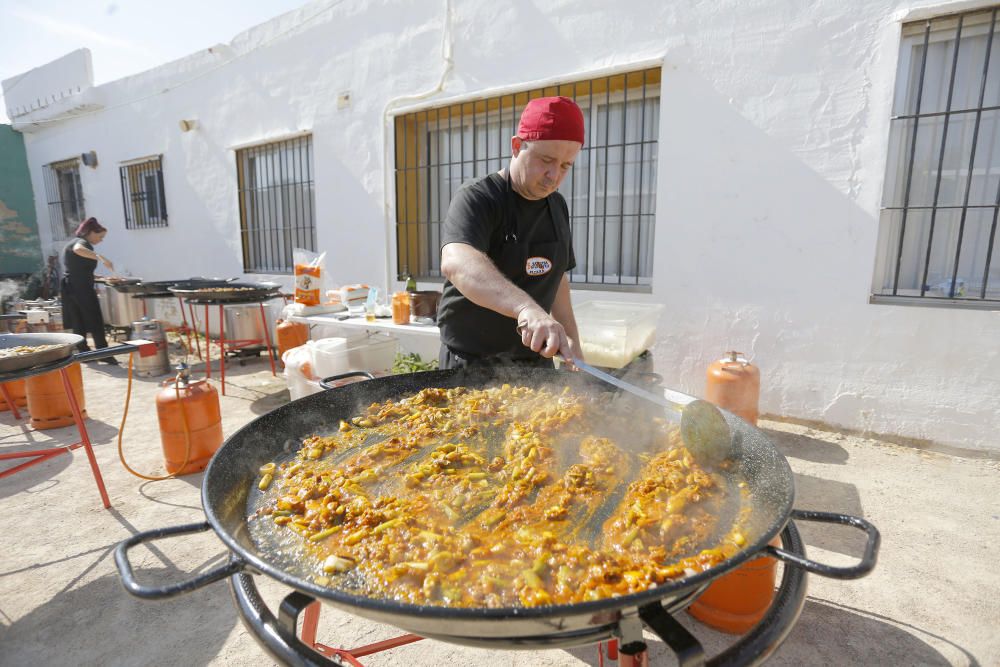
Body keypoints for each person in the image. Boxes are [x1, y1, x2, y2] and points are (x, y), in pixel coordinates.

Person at [437, 96, 586, 369]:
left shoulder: (557, 206)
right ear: (517, 146)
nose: (554, 175)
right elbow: (457, 262)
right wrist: (526, 309)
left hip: (535, 365)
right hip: (471, 366)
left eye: (566, 166)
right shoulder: (478, 197)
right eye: (546, 160)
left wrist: (573, 344)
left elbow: (557, 279)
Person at [61, 217, 118, 363]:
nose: (101, 240)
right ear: (91, 232)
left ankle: (84, 354)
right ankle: (104, 353)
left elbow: (78, 269)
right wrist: (101, 257)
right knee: (95, 319)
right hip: (81, 288)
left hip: (70, 286)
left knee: (78, 320)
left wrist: (100, 277)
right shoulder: (82, 243)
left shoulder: (72, 242)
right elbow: (78, 250)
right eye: (100, 237)